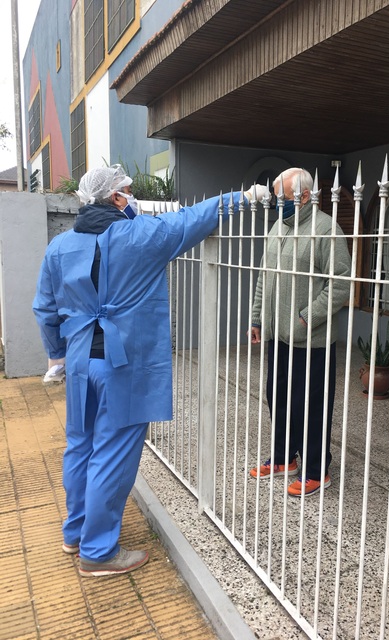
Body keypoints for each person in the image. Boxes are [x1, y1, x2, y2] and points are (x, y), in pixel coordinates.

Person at [33, 164, 268, 577]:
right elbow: (191, 219)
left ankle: (75, 533)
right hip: (121, 366)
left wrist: (56, 354)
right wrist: (243, 199)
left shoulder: (59, 247)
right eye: (127, 190)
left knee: (80, 445)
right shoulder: (142, 236)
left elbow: (45, 309)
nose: (132, 196)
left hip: (79, 362)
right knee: (112, 454)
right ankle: (99, 552)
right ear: (117, 199)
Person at [249, 167, 351, 497]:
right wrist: (257, 319)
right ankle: (283, 459)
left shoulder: (326, 230)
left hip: (312, 340)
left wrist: (307, 318)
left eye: (282, 198)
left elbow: (341, 283)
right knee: (277, 398)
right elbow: (265, 276)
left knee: (312, 406)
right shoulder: (278, 227)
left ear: (303, 196)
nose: (278, 203)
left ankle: (317, 469)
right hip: (278, 336)